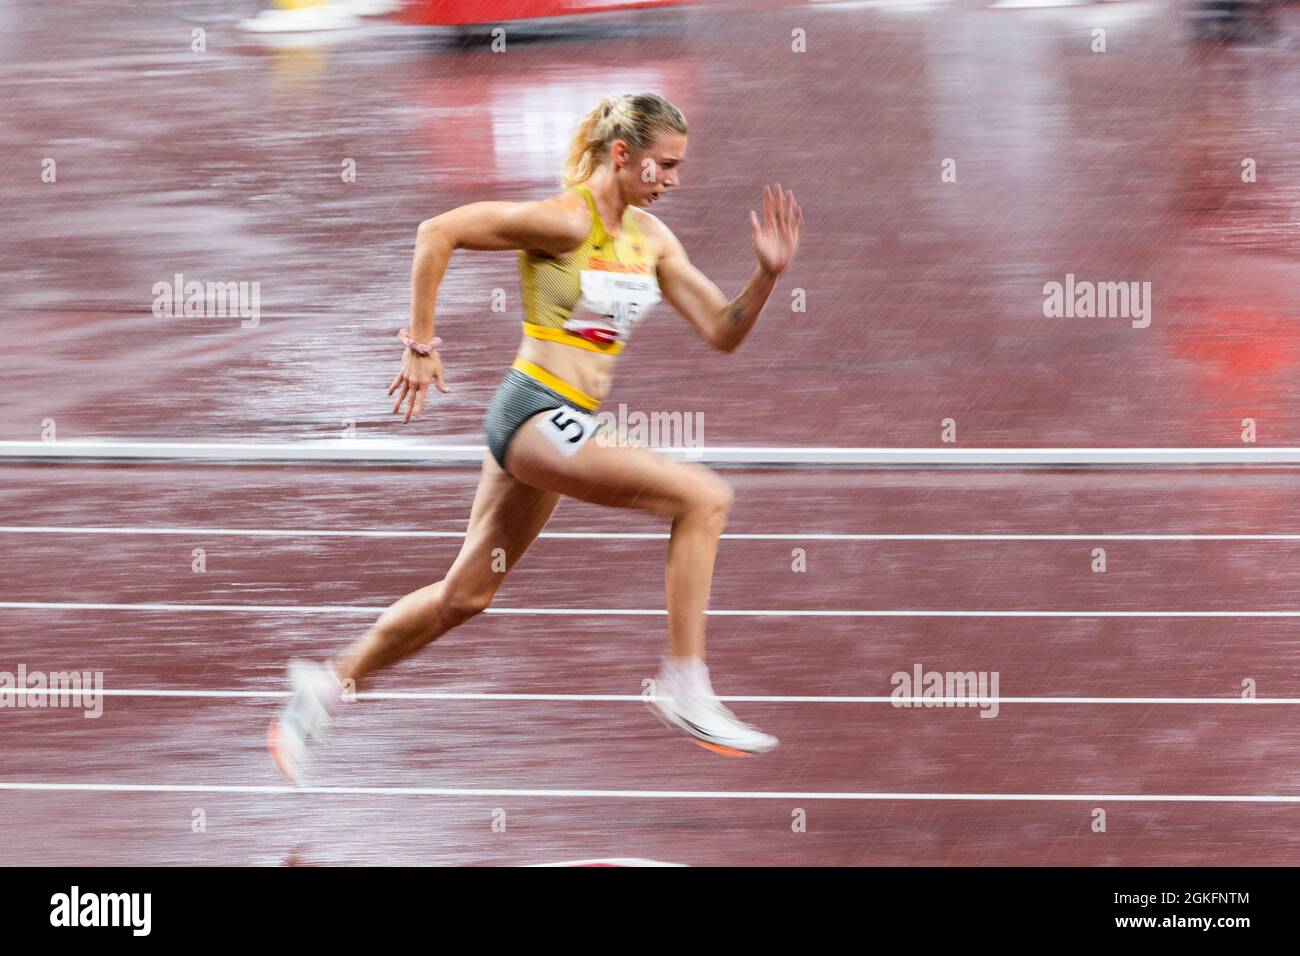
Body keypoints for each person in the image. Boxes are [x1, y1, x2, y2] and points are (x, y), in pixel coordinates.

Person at [269, 91, 803, 783]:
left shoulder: (651, 240)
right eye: (663, 166)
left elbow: (722, 331)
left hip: (565, 423)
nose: (674, 179)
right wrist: (421, 341)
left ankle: (325, 684)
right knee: (703, 498)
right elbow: (438, 231)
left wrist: (765, 275)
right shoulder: (564, 220)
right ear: (622, 155)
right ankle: (684, 681)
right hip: (534, 412)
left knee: (467, 596)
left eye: (677, 167)